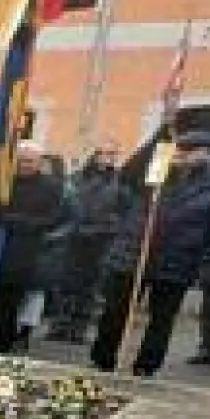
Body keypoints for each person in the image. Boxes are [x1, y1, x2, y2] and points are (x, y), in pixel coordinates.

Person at [91, 129, 210, 376]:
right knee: (115, 309)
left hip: (177, 261)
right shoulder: (156, 173)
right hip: (134, 253)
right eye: (181, 150)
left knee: (162, 319)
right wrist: (161, 138)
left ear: (205, 154)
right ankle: (103, 358)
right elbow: (128, 174)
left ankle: (146, 365)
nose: (185, 156)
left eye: (192, 151)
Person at [0, 141, 66, 353]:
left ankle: (4, 341)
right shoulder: (4, 181)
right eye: (21, 160)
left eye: (29, 161)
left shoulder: (51, 187)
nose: (24, 165)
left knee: (11, 302)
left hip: (26, 250)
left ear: (39, 162)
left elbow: (53, 218)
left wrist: (19, 222)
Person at [48, 144, 129, 343]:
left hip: (102, 239)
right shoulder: (76, 178)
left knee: (90, 287)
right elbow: (65, 203)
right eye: (105, 154)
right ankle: (59, 325)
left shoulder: (120, 183)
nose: (108, 158)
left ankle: (78, 329)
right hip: (74, 237)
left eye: (112, 154)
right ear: (95, 155)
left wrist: (110, 226)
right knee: (66, 284)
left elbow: (124, 211)